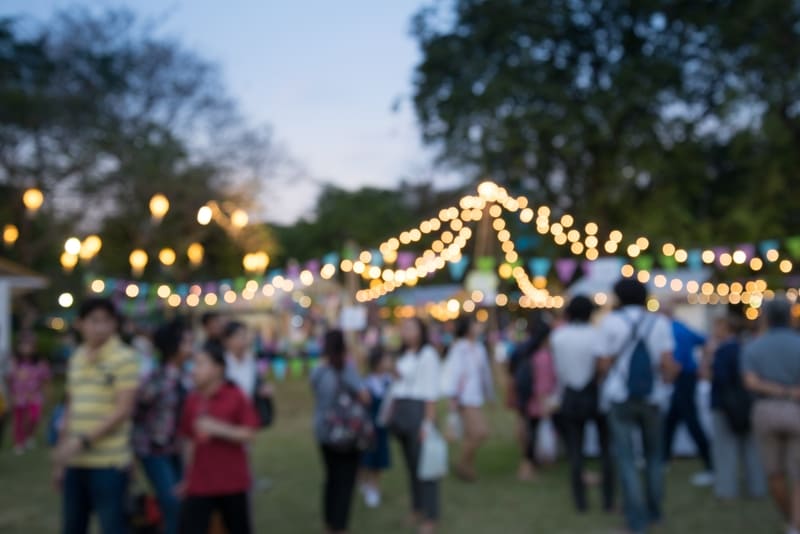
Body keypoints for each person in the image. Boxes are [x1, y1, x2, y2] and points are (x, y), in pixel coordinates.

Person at [597, 279, 678, 534]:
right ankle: (655, 512)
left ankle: (636, 520)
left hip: (620, 396)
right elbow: (668, 365)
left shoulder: (609, 322)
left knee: (626, 458)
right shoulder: (660, 323)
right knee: (654, 456)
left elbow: (602, 365)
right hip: (652, 396)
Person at [53, 298, 140, 534]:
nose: (100, 327)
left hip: (109, 462)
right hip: (75, 461)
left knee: (112, 525)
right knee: (72, 526)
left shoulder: (125, 357)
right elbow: (70, 408)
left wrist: (82, 441)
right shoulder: (76, 357)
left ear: (115, 325)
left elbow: (123, 409)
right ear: (80, 324)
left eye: (106, 321)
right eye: (94, 321)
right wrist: (62, 458)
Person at [178, 344, 259, 534]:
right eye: (193, 364)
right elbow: (189, 440)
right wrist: (187, 478)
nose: (194, 369)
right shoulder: (192, 400)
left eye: (200, 364)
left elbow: (250, 433)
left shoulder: (235, 395)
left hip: (232, 483)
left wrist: (219, 429)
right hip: (199, 484)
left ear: (218, 369)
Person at [550, 295, 614, 513]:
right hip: (596, 396)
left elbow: (559, 370)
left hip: (570, 397)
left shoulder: (558, 337)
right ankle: (608, 499)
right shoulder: (597, 336)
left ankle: (580, 502)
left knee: (575, 452)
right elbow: (602, 367)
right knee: (606, 451)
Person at [742, 298, 800, 534]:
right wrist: (789, 391)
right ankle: (795, 524)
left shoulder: (754, 346)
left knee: (774, 471)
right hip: (796, 408)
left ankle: (791, 520)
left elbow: (750, 382)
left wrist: (776, 390)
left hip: (765, 410)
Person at [133, 320, 193, 534]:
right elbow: (137, 414)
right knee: (171, 501)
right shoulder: (156, 378)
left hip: (178, 448)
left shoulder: (188, 377)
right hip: (154, 450)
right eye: (186, 342)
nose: (191, 346)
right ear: (172, 346)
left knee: (183, 500)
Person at [311, 329, 370, 533]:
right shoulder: (346, 369)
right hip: (347, 434)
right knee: (345, 483)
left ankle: (329, 523)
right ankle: (340, 526)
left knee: (331, 479)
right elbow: (365, 397)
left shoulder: (318, 371)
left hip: (324, 431)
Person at [390, 318, 442, 534]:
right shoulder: (404, 355)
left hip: (417, 411)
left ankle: (431, 514)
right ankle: (417, 507)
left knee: (425, 466)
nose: (406, 332)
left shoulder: (428, 354)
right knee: (412, 466)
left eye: (410, 327)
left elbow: (430, 392)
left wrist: (427, 424)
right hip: (401, 410)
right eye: (403, 328)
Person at [707, 315, 766, 500]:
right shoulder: (746, 347)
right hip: (748, 403)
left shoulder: (724, 351)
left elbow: (719, 379)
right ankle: (757, 487)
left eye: (717, 328)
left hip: (726, 405)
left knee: (726, 449)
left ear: (726, 329)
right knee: (751, 449)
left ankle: (727, 489)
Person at [662, 304, 714, 486]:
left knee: (691, 421)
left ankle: (711, 464)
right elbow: (707, 341)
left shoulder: (671, 331)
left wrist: (703, 366)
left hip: (683, 378)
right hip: (686, 377)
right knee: (671, 420)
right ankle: (664, 458)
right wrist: (704, 365)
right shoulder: (681, 327)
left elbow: (674, 361)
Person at [441, 316, 494, 482]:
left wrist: (489, 395)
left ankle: (465, 466)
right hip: (464, 398)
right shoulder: (460, 349)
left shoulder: (479, 348)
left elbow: (485, 375)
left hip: (475, 397)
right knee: (480, 432)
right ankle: (463, 464)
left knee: (472, 434)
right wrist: (453, 400)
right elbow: (453, 374)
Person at [507, 314, 551, 481]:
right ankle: (528, 464)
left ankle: (528, 461)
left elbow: (511, 369)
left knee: (526, 427)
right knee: (533, 430)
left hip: (523, 395)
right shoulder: (541, 355)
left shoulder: (522, 348)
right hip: (535, 398)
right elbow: (543, 382)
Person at [360, 346, 393, 508]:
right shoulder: (368, 382)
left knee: (379, 460)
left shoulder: (390, 380)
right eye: (385, 359)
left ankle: (374, 487)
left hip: (383, 428)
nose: (389, 362)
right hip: (368, 428)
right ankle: (365, 482)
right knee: (366, 458)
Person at [7, 332, 51, 454]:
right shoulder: (14, 363)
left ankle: (29, 436)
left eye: (29, 345)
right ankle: (19, 442)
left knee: (34, 417)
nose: (26, 348)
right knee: (18, 421)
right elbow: (9, 380)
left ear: (34, 347)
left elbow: (46, 380)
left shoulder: (40, 363)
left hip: (34, 396)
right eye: (23, 344)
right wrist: (11, 395)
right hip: (18, 397)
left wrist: (46, 395)